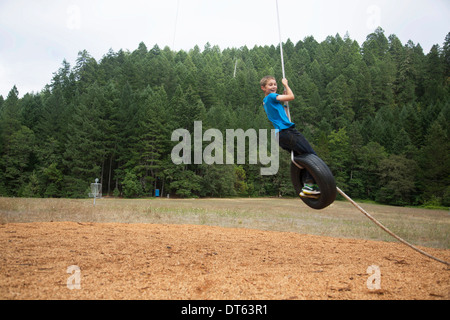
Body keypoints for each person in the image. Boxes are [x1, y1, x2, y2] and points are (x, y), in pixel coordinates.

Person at [260, 76, 320, 197]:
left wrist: (285, 104)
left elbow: (284, 115)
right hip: (287, 132)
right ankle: (309, 185)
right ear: (263, 88)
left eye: (275, 84)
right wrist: (286, 84)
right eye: (270, 85)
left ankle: (307, 186)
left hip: (280, 136)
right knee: (311, 155)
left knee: (302, 159)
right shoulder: (272, 97)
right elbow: (292, 97)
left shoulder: (266, 101)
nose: (273, 86)